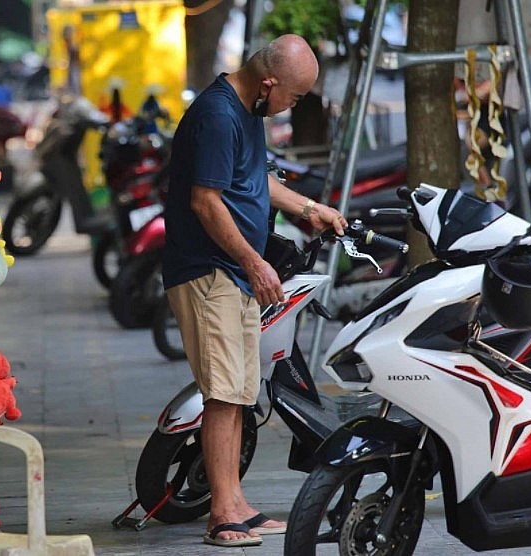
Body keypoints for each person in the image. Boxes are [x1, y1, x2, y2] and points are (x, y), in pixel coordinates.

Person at [162, 34, 347, 548]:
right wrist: (254, 260)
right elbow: (206, 201)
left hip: (234, 271)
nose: (293, 105)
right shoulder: (218, 116)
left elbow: (255, 183)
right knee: (223, 393)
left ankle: (237, 503)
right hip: (209, 270)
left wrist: (310, 210)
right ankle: (222, 515)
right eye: (294, 95)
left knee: (240, 393)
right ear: (269, 83)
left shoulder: (247, 112)